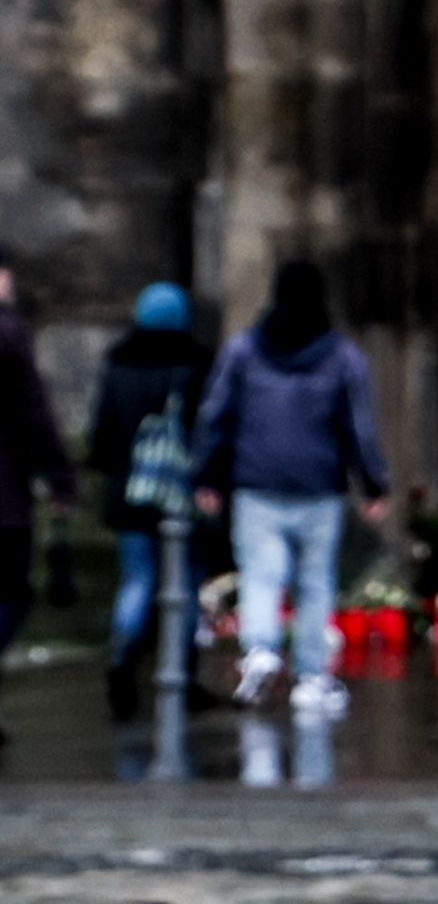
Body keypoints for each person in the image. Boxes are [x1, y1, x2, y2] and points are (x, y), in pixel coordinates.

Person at [192, 258, 390, 717]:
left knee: (261, 576)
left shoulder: (245, 350)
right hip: (319, 486)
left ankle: (260, 651)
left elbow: (215, 415)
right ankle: (310, 678)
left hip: (257, 483)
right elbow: (359, 426)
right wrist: (374, 484)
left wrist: (206, 475)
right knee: (315, 583)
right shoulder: (342, 356)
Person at [87, 282, 215, 719]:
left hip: (129, 493)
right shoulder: (197, 362)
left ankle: (121, 659)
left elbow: (101, 435)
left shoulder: (118, 362)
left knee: (138, 580)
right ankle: (182, 671)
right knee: (187, 582)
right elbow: (209, 428)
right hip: (181, 491)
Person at [0, 248, 79, 744]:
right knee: (12, 592)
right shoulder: (8, 334)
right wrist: (60, 478)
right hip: (4, 498)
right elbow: (32, 412)